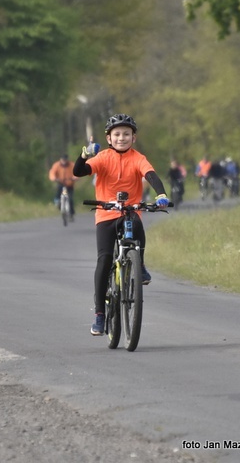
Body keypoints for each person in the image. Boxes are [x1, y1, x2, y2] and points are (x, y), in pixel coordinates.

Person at [72, 114, 169, 336]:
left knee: (137, 225)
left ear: (134, 138)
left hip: (129, 210)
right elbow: (79, 172)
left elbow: (151, 175)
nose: (121, 138)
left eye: (126, 134)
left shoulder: (138, 158)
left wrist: (161, 194)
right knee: (105, 259)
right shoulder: (103, 157)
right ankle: (99, 314)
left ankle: (139, 264)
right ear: (109, 138)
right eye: (117, 134)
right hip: (106, 214)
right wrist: (84, 155)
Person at [48, 153, 77, 219]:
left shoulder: (72, 165)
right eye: (62, 160)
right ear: (60, 160)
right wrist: (54, 178)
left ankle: (71, 213)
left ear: (67, 160)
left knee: (70, 199)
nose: (64, 161)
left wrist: (75, 178)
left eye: (65, 160)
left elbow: (76, 172)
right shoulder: (56, 165)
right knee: (58, 193)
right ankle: (57, 202)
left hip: (69, 184)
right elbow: (52, 172)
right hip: (61, 183)